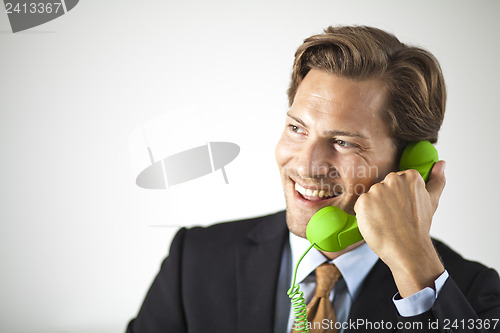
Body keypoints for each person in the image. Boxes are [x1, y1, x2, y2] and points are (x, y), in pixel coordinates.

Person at [126, 26, 500, 333]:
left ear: (408, 165)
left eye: (342, 142)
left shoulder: (472, 293)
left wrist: (416, 270)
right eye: (297, 128)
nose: (306, 165)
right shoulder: (195, 259)